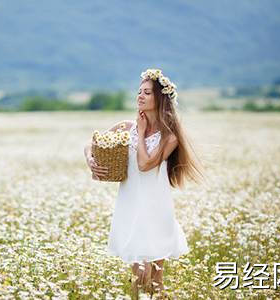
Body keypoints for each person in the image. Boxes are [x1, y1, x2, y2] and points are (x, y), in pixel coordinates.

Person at [83, 68, 205, 299]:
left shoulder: (169, 136)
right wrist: (91, 160)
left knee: (155, 278)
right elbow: (92, 144)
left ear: (159, 98)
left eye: (147, 92)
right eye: (139, 91)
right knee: (139, 274)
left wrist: (139, 133)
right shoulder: (126, 127)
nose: (140, 96)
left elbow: (144, 164)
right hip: (130, 203)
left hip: (155, 207)